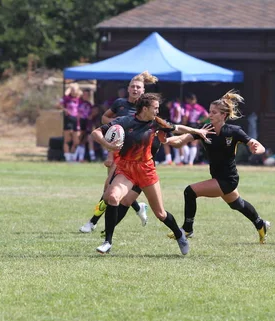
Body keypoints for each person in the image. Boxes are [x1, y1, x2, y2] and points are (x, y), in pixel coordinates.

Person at [91, 92, 214, 254]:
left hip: (146, 170)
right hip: (126, 169)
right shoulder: (125, 121)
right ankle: (107, 242)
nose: (157, 111)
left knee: (160, 213)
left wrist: (198, 131)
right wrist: (109, 145)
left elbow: (177, 128)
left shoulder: (157, 123)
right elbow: (96, 133)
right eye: (155, 108)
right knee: (113, 197)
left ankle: (179, 234)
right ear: (144, 108)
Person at [164, 90, 271, 244]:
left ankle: (187, 229)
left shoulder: (234, 131)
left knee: (190, 191)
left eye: (214, 112)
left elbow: (257, 145)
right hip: (218, 177)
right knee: (237, 204)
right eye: (209, 111)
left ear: (223, 115)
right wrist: (166, 141)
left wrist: (257, 150)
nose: (210, 114)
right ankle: (260, 224)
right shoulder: (205, 129)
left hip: (228, 179)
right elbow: (181, 140)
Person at [79, 72, 157, 234]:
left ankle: (93, 222)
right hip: (116, 151)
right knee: (112, 189)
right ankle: (138, 206)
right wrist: (116, 127)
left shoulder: (147, 109)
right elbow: (105, 118)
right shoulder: (120, 104)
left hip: (133, 156)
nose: (135, 89)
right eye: (132, 86)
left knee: (109, 188)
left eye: (138, 87)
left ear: (143, 90)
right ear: (128, 89)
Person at [183, 93, 209, 165]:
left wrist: (183, 124)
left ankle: (186, 160)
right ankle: (190, 162)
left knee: (184, 141)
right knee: (194, 143)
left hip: (189, 125)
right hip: (196, 125)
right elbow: (207, 115)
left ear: (190, 100)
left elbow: (186, 116)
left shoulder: (187, 107)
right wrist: (200, 121)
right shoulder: (199, 107)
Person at [58, 83, 82, 162]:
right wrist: (65, 110)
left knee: (76, 141)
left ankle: (72, 156)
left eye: (74, 90)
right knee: (67, 140)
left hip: (76, 121)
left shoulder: (79, 99)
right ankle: (68, 158)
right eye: (72, 90)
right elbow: (58, 104)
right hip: (68, 120)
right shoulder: (67, 98)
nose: (73, 91)